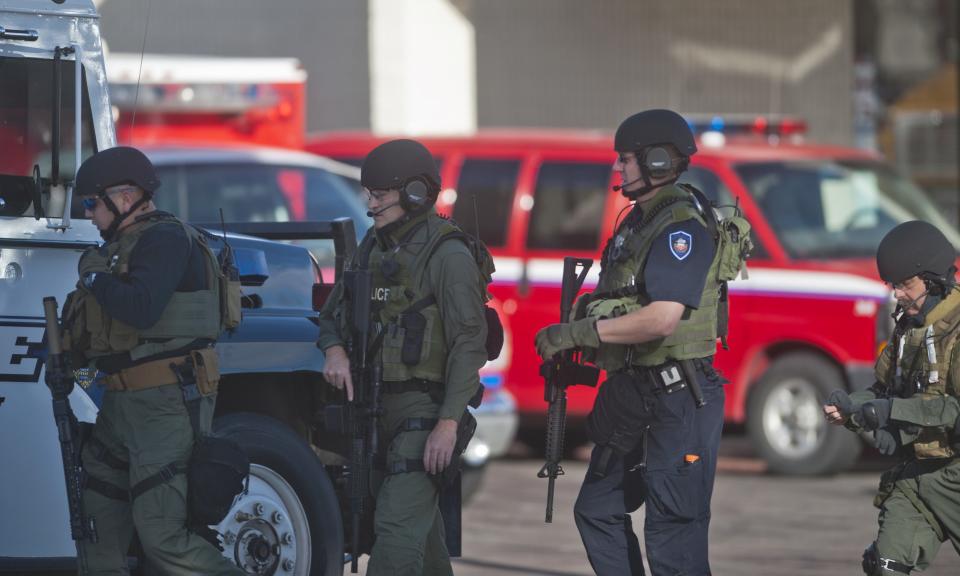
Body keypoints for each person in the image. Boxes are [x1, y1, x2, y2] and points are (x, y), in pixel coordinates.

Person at [535, 109, 732, 575]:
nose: (617, 169)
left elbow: (662, 318)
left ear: (659, 162)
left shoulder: (680, 227)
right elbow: (621, 299)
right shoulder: (638, 222)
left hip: (679, 398)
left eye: (625, 160)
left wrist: (578, 332)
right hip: (635, 392)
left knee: (672, 534)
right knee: (597, 509)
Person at [64, 146, 243, 574]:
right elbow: (103, 346)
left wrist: (92, 277)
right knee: (96, 526)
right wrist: (78, 376)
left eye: (92, 203)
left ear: (125, 198)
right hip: (118, 407)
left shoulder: (165, 238)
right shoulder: (118, 247)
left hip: (162, 406)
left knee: (162, 535)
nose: (89, 215)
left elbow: (141, 307)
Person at [317, 139, 490, 575]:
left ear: (415, 193)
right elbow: (332, 314)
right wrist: (334, 350)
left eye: (380, 195)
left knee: (394, 537)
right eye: (368, 194)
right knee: (423, 544)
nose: (370, 204)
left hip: (425, 411)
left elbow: (471, 343)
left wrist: (447, 425)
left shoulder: (448, 255)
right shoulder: (373, 249)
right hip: (375, 410)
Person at [824, 220, 960, 575]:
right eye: (892, 285)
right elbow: (885, 390)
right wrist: (853, 408)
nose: (896, 293)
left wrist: (890, 412)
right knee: (884, 566)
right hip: (919, 477)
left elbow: (954, 410)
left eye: (904, 284)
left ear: (932, 281)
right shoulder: (908, 326)